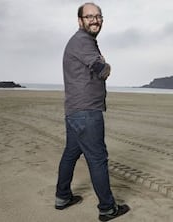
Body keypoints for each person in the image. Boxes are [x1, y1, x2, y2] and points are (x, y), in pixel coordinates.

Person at [55, 2, 130, 221]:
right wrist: (106, 65)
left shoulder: (82, 42)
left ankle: (62, 197)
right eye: (89, 17)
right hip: (86, 112)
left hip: (75, 110)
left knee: (71, 152)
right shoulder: (83, 41)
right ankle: (107, 209)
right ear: (80, 21)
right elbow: (101, 70)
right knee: (98, 159)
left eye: (98, 16)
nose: (95, 20)